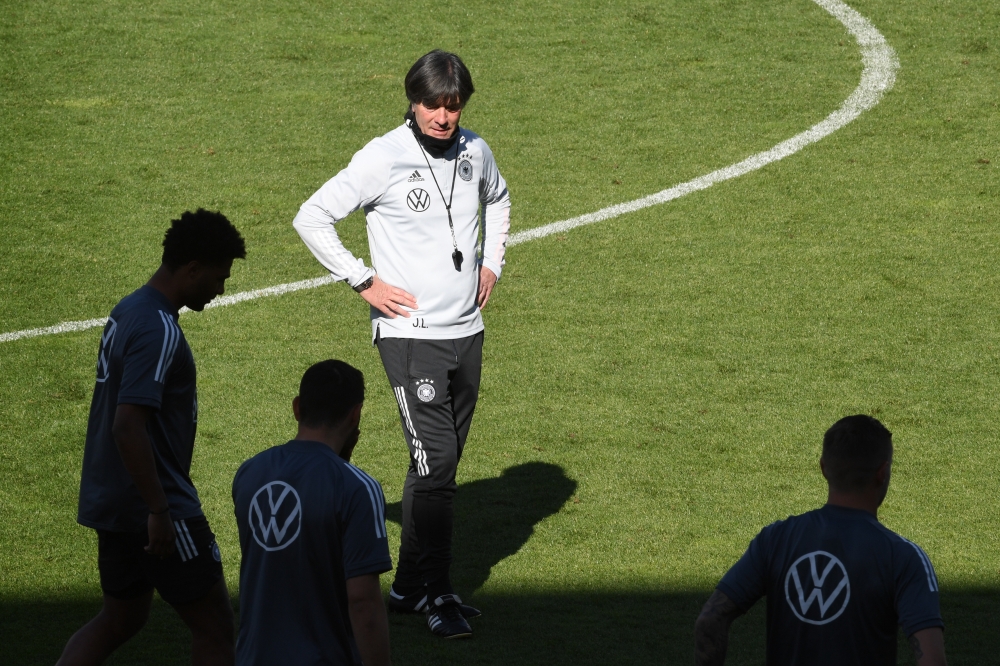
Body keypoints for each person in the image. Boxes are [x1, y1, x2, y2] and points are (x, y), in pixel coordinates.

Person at [293, 49, 510, 638]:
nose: (444, 117)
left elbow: (500, 195)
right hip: (410, 337)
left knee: (435, 466)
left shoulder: (475, 151)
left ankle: (410, 586)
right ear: (413, 101)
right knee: (437, 463)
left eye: (454, 105)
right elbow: (311, 216)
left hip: (468, 330)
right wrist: (363, 280)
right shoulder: (382, 158)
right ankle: (437, 593)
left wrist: (492, 260)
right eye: (434, 105)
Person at [58, 209, 247, 666]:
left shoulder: (129, 308)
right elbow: (127, 425)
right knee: (218, 631)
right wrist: (160, 510)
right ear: (192, 269)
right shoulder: (157, 327)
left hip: (114, 503)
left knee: (120, 619)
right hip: (157, 509)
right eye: (220, 277)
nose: (222, 289)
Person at [694, 415, 948, 666]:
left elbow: (710, 619)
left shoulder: (775, 539)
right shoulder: (904, 558)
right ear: (882, 472)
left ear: (823, 468)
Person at [231, 360, 392, 666]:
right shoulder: (357, 488)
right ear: (355, 414)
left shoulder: (250, 474)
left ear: (297, 408)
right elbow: (363, 604)